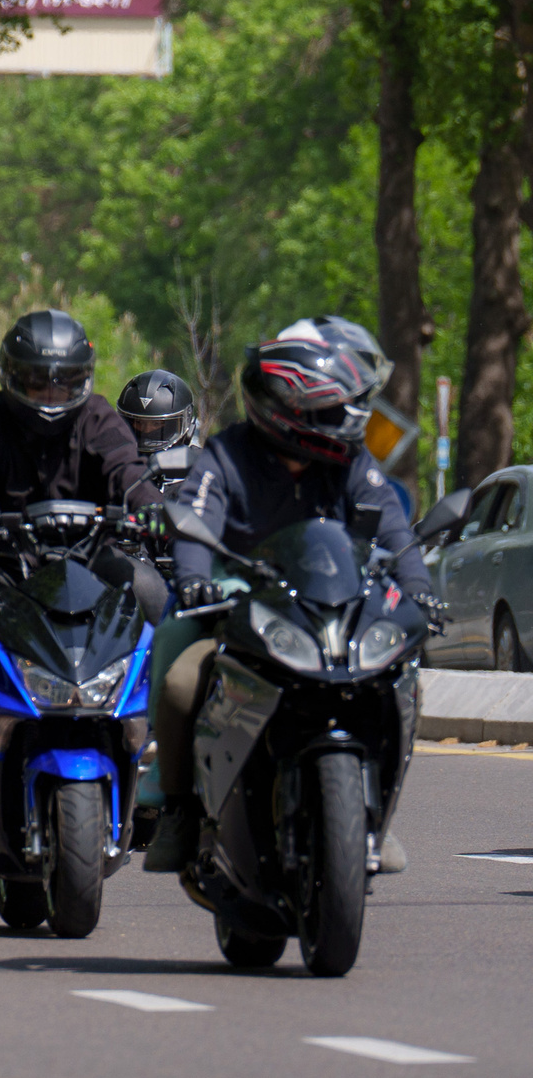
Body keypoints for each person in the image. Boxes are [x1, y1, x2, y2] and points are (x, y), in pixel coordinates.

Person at [142, 332, 432, 874]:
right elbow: (195, 527)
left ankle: (375, 818)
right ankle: (177, 807)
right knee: (184, 676)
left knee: (403, 682)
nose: (348, 420)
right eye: (331, 409)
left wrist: (420, 591)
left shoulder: (352, 464)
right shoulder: (223, 457)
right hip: (243, 602)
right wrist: (196, 583)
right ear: (285, 412)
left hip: (335, 609)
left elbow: (395, 533)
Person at [0, 309, 165, 778]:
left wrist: (148, 506)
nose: (51, 395)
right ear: (11, 377)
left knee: (152, 591)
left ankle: (159, 725)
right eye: (36, 382)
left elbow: (126, 469)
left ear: (82, 380)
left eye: (63, 383)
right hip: (4, 562)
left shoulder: (99, 417)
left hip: (88, 557)